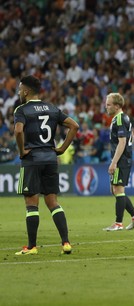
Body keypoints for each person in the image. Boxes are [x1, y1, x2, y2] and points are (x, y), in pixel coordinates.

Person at [13, 75, 79, 255]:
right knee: (53, 202)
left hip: (32, 159)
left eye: (20, 89)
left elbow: (18, 131)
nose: (19, 92)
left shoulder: (22, 110)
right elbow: (74, 126)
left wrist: (21, 151)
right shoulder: (52, 108)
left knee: (31, 204)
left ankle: (32, 247)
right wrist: (62, 149)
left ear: (26, 91)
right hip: (50, 159)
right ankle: (66, 243)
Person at [102, 93, 134, 231]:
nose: (106, 107)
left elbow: (122, 141)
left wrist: (114, 162)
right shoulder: (122, 118)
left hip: (121, 159)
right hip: (123, 158)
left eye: (108, 104)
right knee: (114, 190)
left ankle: (118, 223)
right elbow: (131, 134)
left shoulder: (120, 119)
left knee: (118, 190)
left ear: (117, 106)